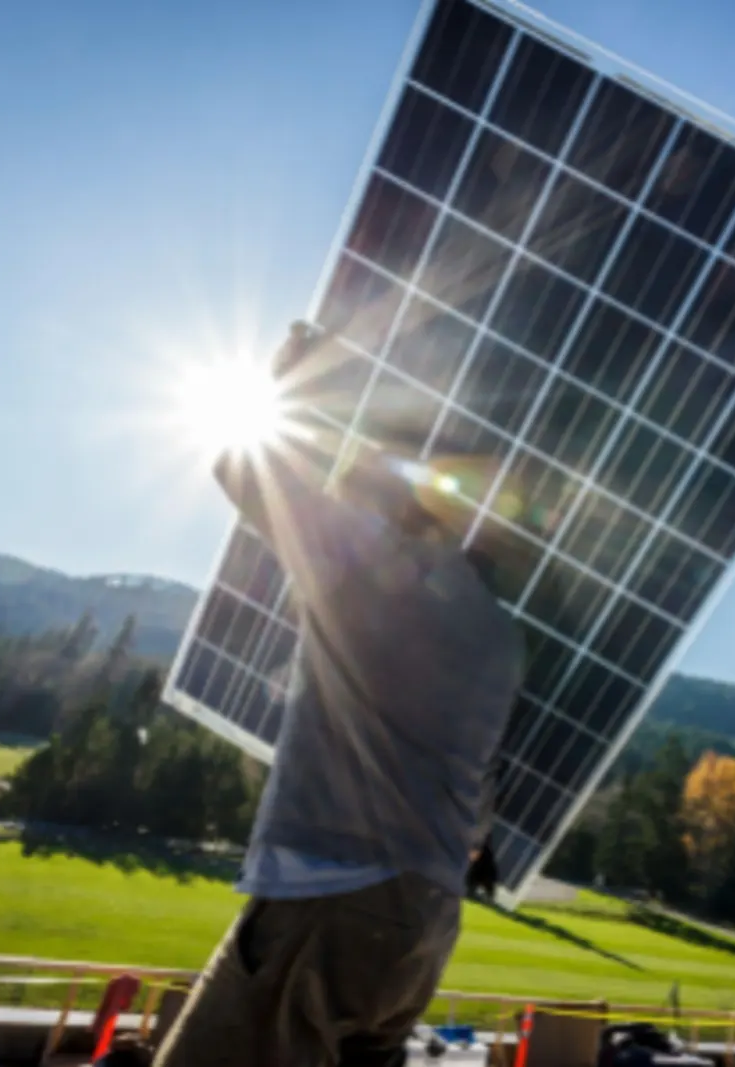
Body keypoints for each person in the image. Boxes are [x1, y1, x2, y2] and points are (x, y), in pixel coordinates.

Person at [153, 324, 530, 1067]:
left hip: (330, 903)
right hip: (425, 926)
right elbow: (482, 795)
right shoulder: (501, 643)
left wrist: (290, 383)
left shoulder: (362, 574)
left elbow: (242, 465)